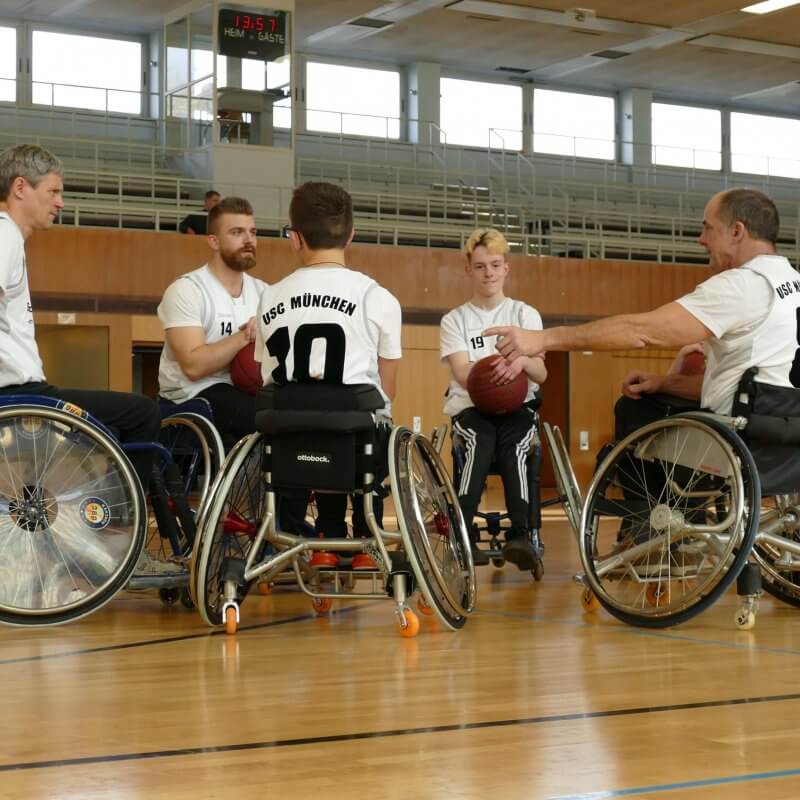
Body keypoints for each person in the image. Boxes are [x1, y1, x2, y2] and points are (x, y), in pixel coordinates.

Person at [488, 187, 800, 431]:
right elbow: (757, 385)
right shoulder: (792, 282)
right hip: (785, 428)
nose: (701, 239)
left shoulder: (741, 286)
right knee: (658, 397)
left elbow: (641, 332)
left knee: (633, 409)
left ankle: (644, 511)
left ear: (737, 232)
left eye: (708, 228)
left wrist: (543, 339)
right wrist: (665, 382)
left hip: (742, 430)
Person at [0, 144, 165, 576]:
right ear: (21, 187)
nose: (60, 202)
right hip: (21, 398)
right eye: (53, 191)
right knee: (142, 413)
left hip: (22, 392)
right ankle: (123, 544)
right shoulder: (4, 235)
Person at [255, 181, 402, 569]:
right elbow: (388, 389)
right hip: (356, 440)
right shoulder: (377, 297)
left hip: (290, 439)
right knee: (368, 421)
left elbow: (266, 377)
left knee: (317, 421)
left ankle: (325, 535)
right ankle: (367, 537)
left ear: (295, 238)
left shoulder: (268, 297)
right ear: (350, 235)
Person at [440, 228, 547, 569]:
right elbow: (461, 373)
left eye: (495, 265)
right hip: (472, 408)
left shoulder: (524, 315)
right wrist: (502, 368)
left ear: (506, 269)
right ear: (468, 269)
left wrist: (519, 361)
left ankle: (521, 533)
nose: (488, 272)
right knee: (477, 442)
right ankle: (463, 530)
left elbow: (541, 374)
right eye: (481, 265)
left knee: (515, 445)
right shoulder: (455, 319)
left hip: (517, 408)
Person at [158, 195, 266, 447]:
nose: (249, 240)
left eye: (252, 232)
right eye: (237, 232)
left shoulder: (265, 293)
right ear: (213, 241)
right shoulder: (187, 290)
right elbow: (194, 367)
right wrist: (245, 336)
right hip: (191, 396)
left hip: (243, 391)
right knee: (266, 416)